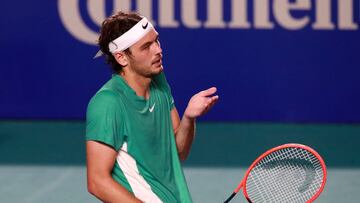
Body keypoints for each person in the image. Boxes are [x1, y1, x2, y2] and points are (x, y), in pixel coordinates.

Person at [86, 11, 218, 203]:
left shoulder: (158, 81)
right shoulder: (108, 102)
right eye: (146, 47)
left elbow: (179, 152)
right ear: (122, 58)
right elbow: (97, 182)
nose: (157, 50)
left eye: (156, 41)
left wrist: (189, 118)